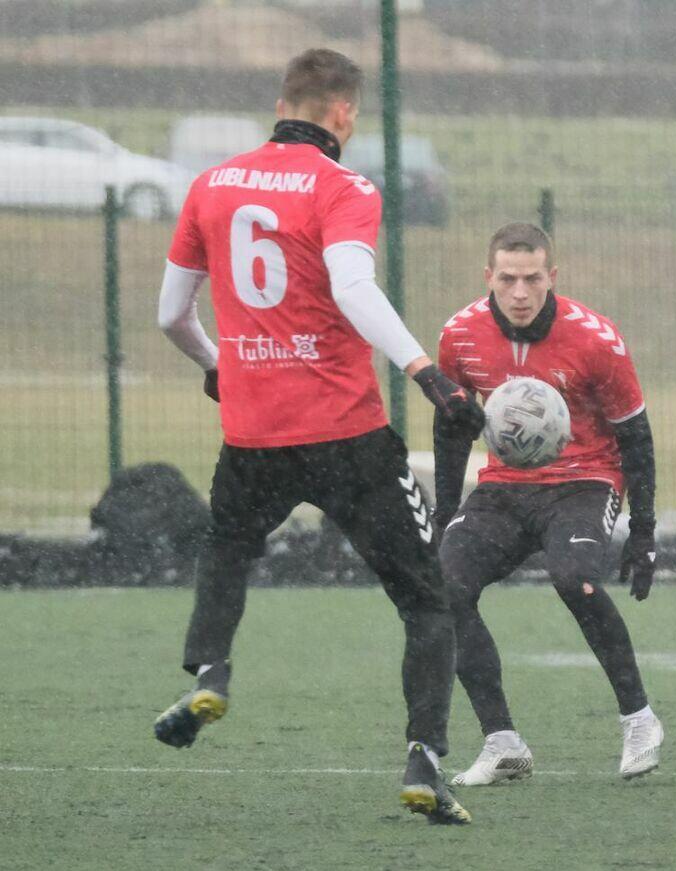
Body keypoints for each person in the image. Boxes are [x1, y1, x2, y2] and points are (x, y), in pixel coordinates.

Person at [151, 48, 485, 825]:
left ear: (282, 105)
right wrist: (426, 373)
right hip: (345, 436)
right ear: (344, 114)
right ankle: (424, 760)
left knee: (227, 545)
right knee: (426, 600)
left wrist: (218, 364)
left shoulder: (212, 184)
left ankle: (212, 671)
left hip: (254, 433)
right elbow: (352, 286)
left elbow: (170, 314)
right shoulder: (343, 187)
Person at [433, 222, 663, 785]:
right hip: (504, 486)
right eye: (508, 279)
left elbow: (636, 437)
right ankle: (503, 742)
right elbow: (451, 431)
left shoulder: (596, 340)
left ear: (552, 276)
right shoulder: (459, 335)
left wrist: (644, 531)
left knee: (574, 580)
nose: (520, 292)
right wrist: (444, 514)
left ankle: (639, 720)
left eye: (532, 279)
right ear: (488, 276)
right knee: (445, 587)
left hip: (585, 481)